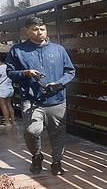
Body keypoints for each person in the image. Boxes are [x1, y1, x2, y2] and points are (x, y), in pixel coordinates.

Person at [6, 15, 75, 175]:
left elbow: (70, 71)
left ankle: (57, 163)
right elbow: (10, 72)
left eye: (42, 29)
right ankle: (36, 156)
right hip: (31, 100)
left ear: (46, 29)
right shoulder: (18, 50)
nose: (39, 32)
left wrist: (59, 84)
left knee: (57, 134)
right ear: (27, 30)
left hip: (57, 100)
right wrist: (25, 73)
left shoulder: (58, 49)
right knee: (31, 131)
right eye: (35, 29)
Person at [0, 52, 16, 126]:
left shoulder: (0, 68)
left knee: (3, 106)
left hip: (2, 90)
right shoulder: (8, 67)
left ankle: (7, 121)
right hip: (9, 88)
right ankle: (13, 121)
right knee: (9, 105)